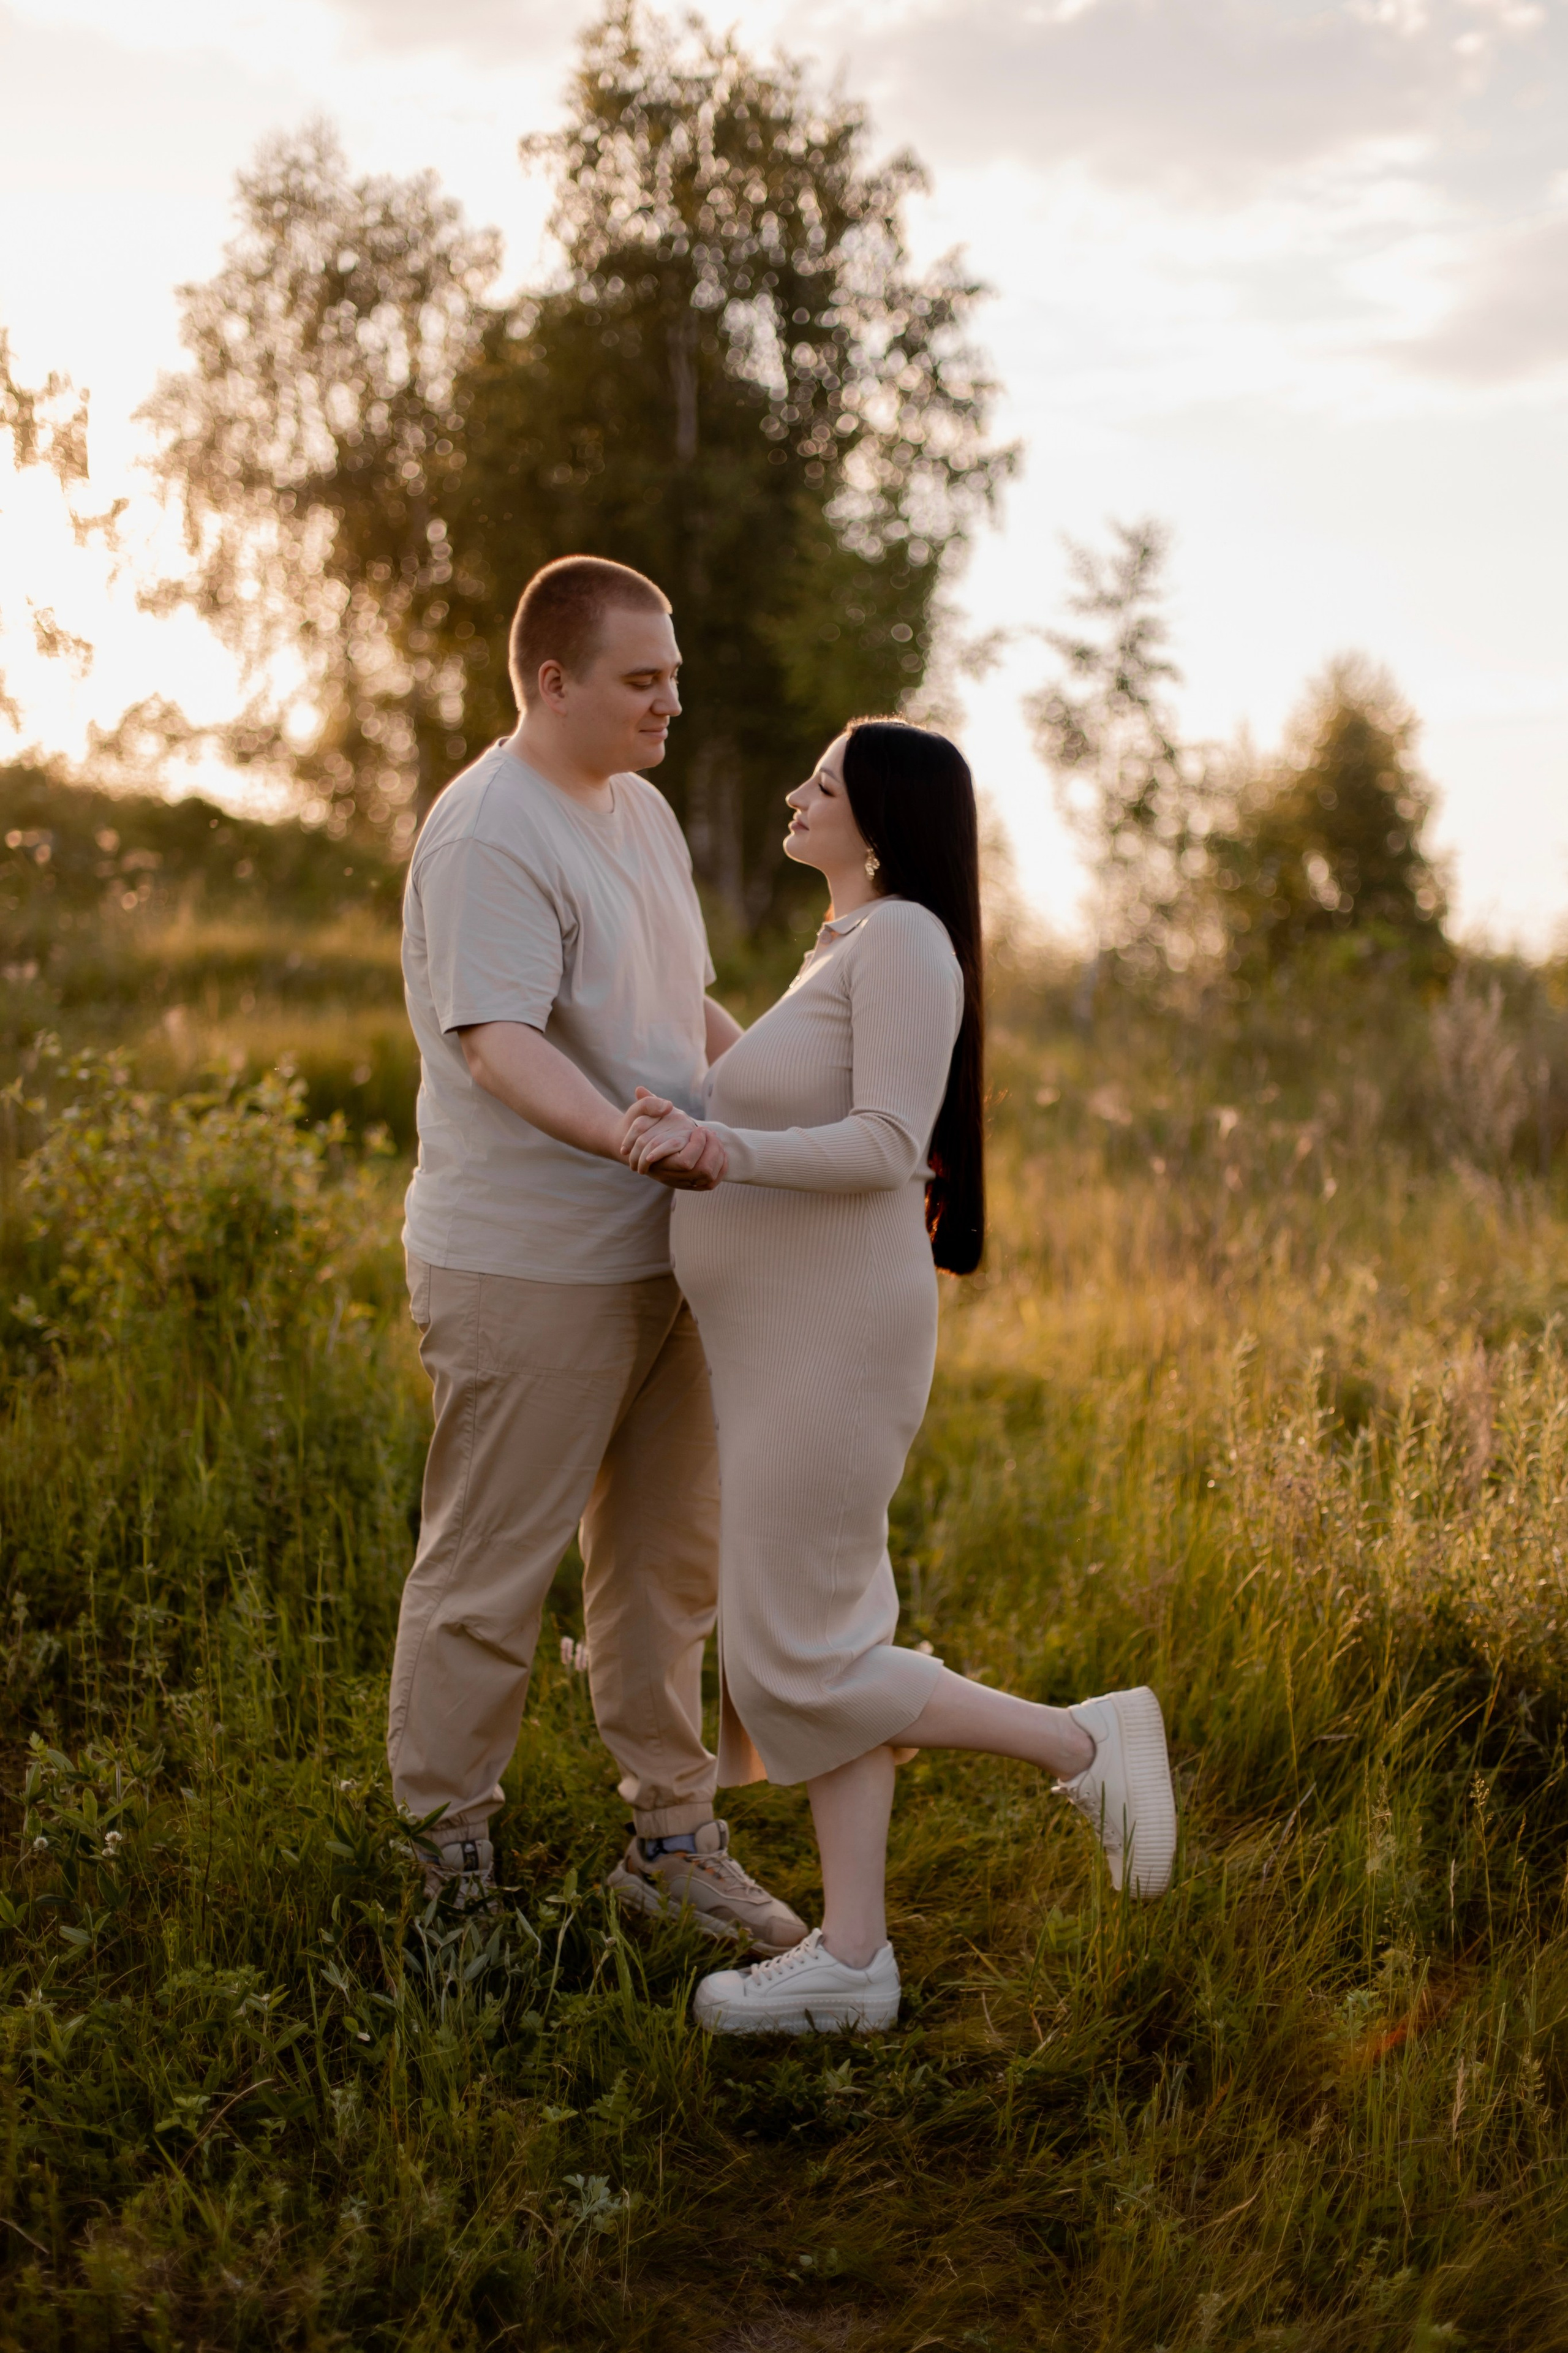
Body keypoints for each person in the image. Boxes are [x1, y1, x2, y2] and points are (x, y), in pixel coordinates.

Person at [619, 719, 1177, 2033]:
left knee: (792, 1654)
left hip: (830, 1344)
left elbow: (879, 1144)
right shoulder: (848, 947)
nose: (794, 793)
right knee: (812, 1638)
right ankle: (853, 1958)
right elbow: (778, 1086)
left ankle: (1083, 1743)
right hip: (780, 1348)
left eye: (820, 782)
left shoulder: (911, 942)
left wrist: (717, 1153)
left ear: (879, 817)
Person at [388, 552, 805, 1959]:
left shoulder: (635, 810)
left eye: (672, 676)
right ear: (551, 680)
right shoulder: (488, 833)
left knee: (661, 1568)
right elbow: (497, 1043)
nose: (669, 701)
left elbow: (676, 1008)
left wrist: (786, 1116)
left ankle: (671, 1844)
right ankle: (446, 1867)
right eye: (642, 679)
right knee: (488, 1575)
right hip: (529, 1270)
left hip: (677, 1253)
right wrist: (634, 1145)